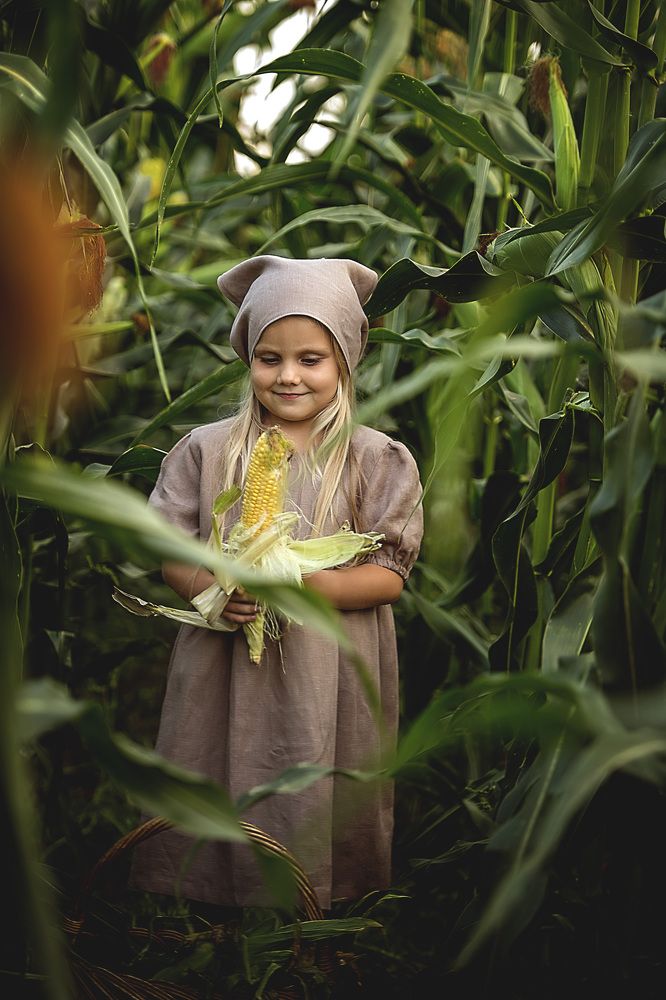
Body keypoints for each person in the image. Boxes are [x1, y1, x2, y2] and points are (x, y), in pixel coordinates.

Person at [130, 255, 423, 911]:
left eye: (311, 358)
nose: (288, 375)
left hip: (329, 666)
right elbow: (167, 546)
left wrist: (306, 588)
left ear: (345, 360)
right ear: (248, 359)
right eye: (269, 357)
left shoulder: (375, 458)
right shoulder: (206, 451)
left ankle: (317, 904)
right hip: (222, 655)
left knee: (315, 772)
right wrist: (210, 590)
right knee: (212, 758)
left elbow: (388, 576)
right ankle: (200, 899)